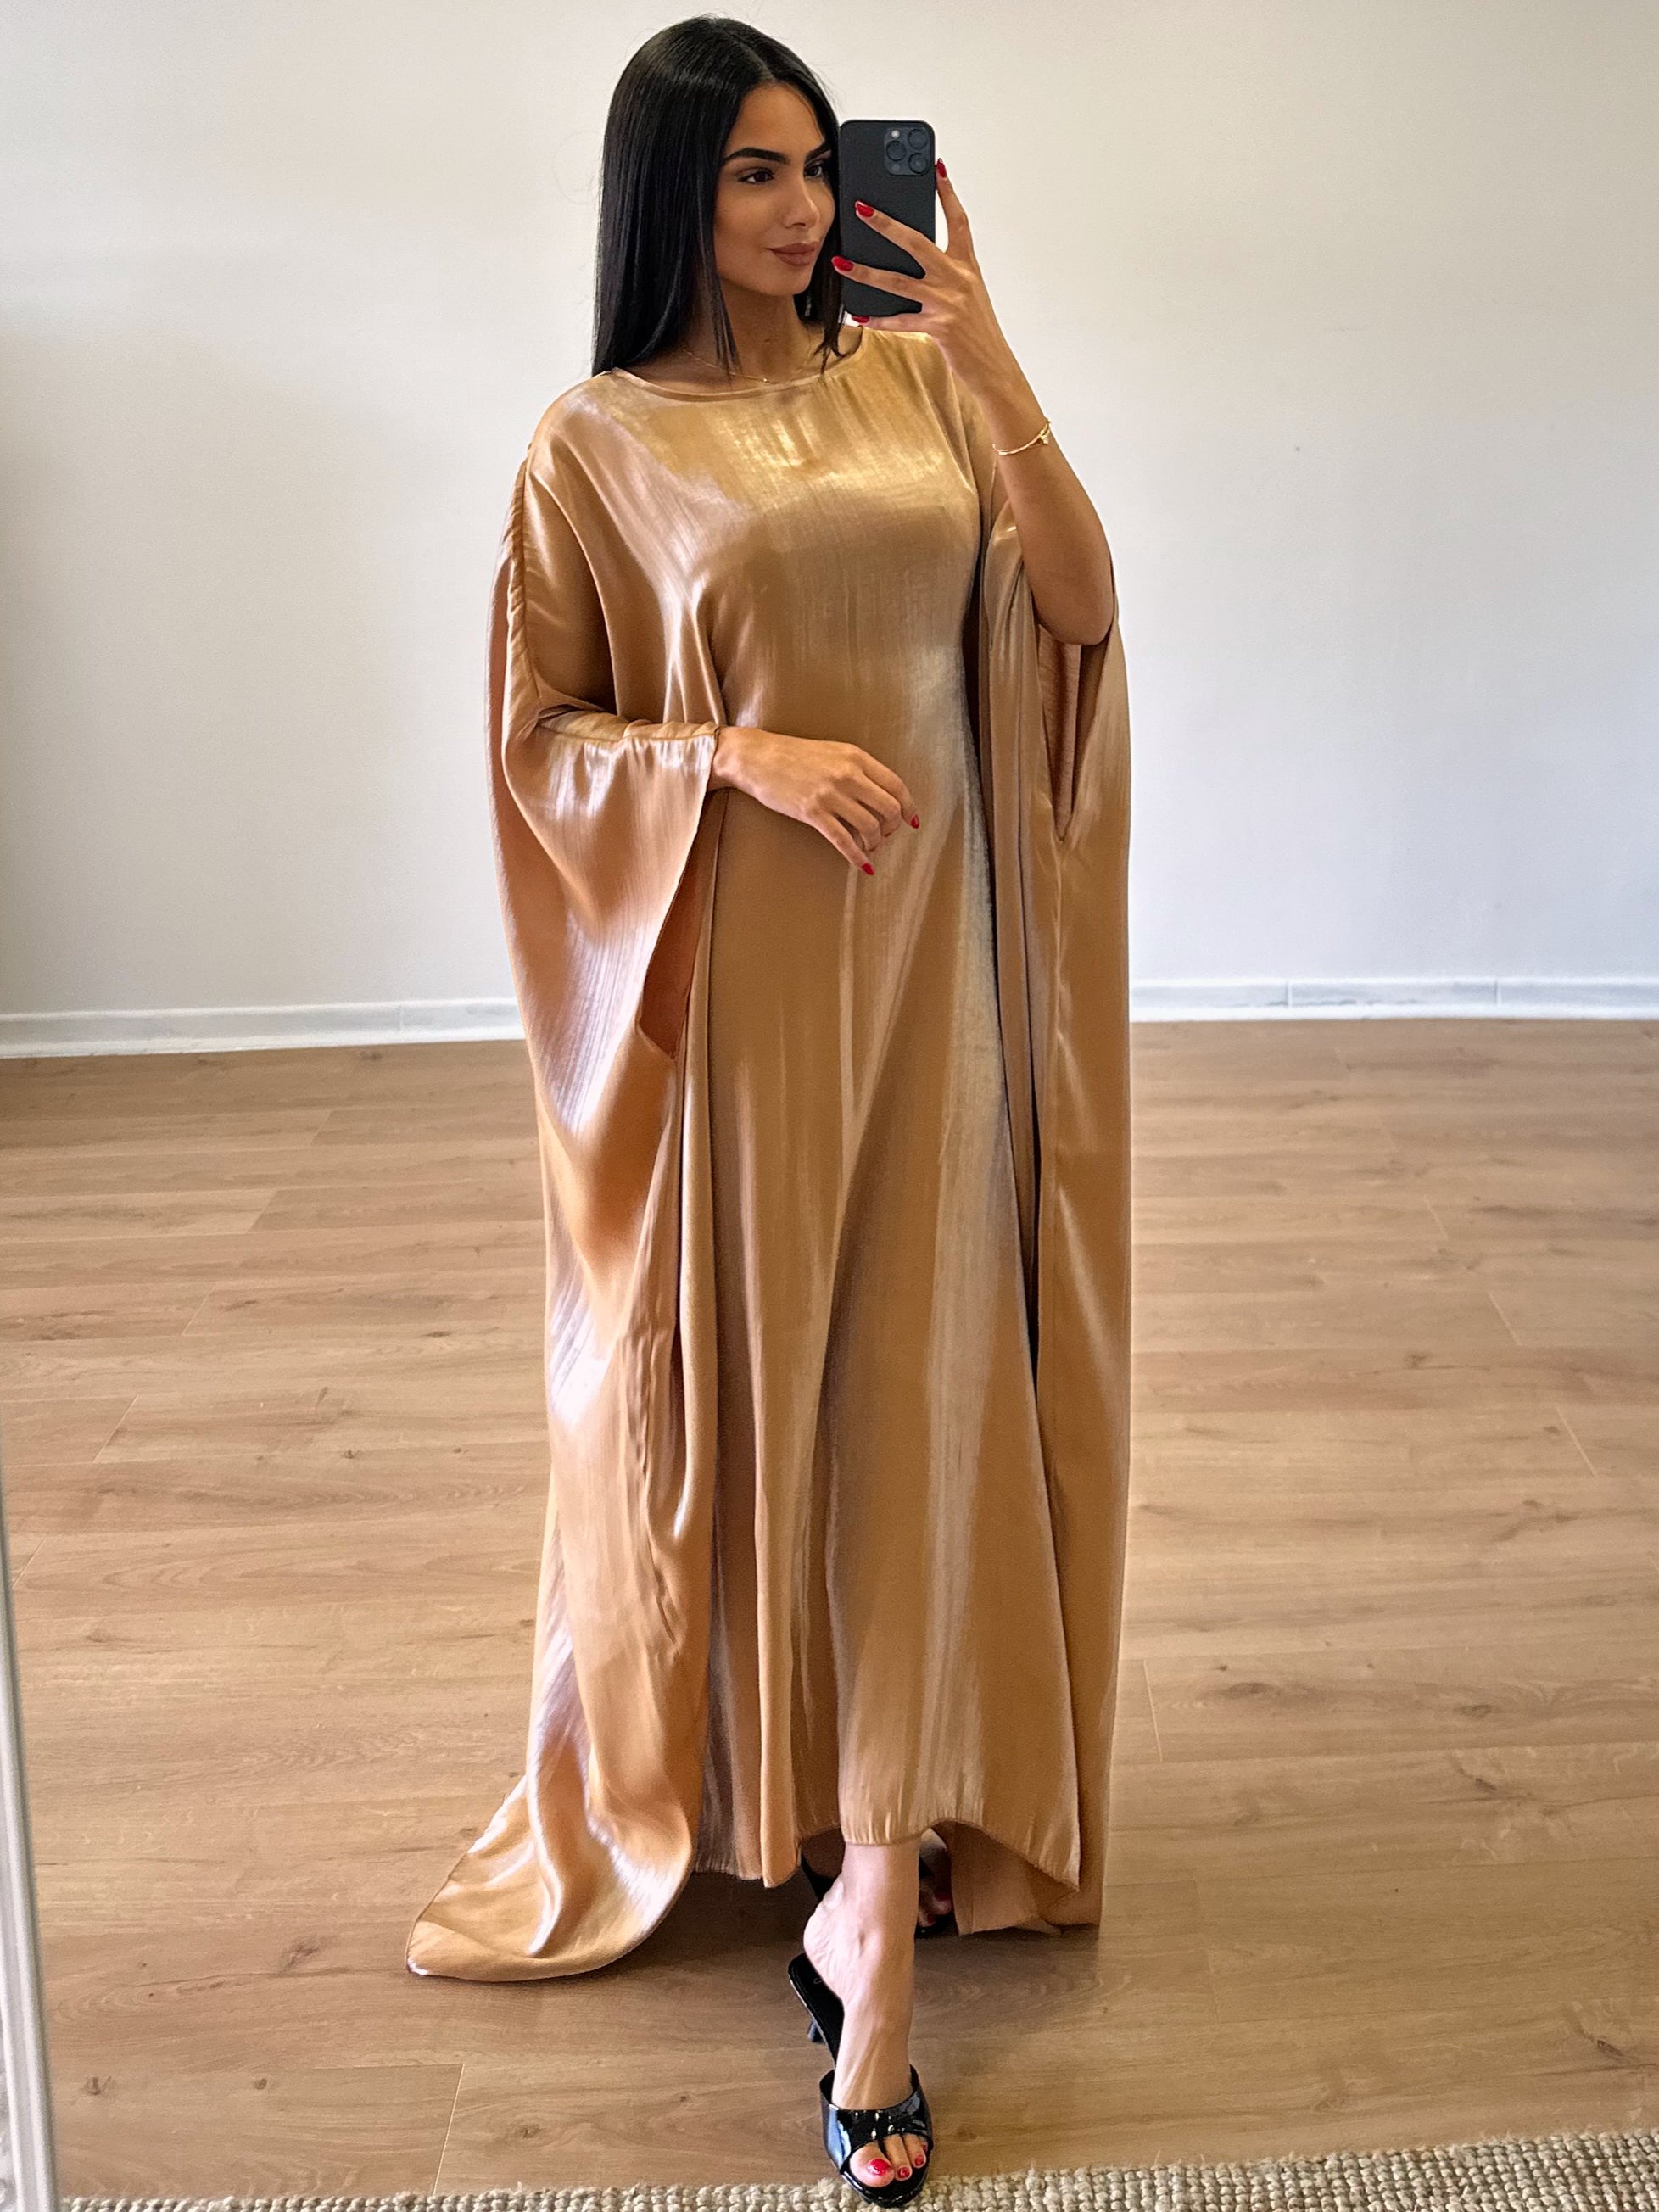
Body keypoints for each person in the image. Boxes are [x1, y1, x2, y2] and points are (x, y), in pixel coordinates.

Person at [405, 17, 1133, 2204]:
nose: (804, 207)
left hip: (942, 984)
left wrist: (989, 350)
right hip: (736, 1007)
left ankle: (874, 1908)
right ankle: (790, 1804)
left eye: (818, 165)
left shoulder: (922, 380)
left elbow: (1081, 610)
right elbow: (540, 740)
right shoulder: (595, 444)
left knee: (921, 1409)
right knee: (775, 1403)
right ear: (669, 192)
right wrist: (734, 756)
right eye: (752, 171)